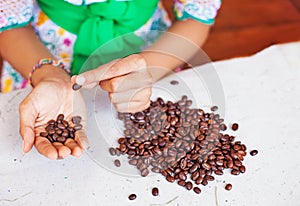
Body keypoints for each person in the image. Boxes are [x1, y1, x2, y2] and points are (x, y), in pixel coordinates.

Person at [0, 0, 221, 160]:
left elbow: (197, 16)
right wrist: (49, 76)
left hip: (153, 50)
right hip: (39, 53)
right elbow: (10, 27)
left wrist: (149, 68)